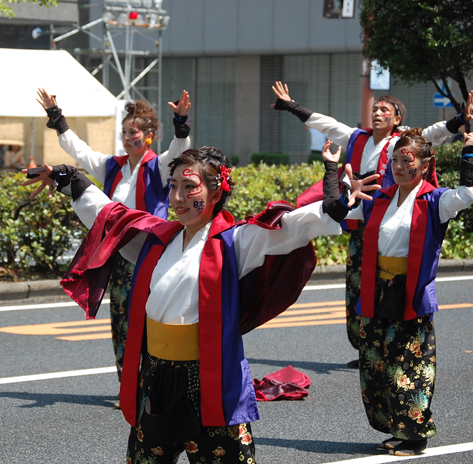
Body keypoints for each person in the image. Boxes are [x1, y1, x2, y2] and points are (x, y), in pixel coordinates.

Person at [23, 145, 379, 463]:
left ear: (215, 191)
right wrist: (68, 178)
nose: (177, 196)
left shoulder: (236, 241)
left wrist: (335, 200)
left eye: (189, 187)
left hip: (208, 377)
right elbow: (112, 216)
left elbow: (290, 227)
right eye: (173, 185)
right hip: (156, 376)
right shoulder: (157, 239)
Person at [272, 81, 473, 368]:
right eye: (375, 108)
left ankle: (399, 347)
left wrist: (462, 120)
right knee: (358, 286)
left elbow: (435, 134)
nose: (377, 113)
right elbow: (325, 124)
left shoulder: (404, 140)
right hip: (365, 222)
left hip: (398, 221)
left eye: (385, 109)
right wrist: (292, 106)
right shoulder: (356, 137)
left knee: (400, 283)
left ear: (397, 118)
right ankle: (366, 345)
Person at [323, 129, 473, 456]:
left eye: (407, 161)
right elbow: (336, 209)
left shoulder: (435, 200)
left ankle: (415, 435)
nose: (399, 167)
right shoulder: (381, 196)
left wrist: (469, 155)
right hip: (376, 292)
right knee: (374, 364)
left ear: (424, 163)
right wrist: (331, 171)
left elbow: (467, 194)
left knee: (407, 368)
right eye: (395, 160)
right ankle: (396, 427)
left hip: (410, 294)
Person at [37, 88, 192, 397]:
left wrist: (181, 122)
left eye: (132, 132)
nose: (126, 138)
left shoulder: (159, 167)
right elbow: (79, 151)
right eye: (123, 132)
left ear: (148, 136)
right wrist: (57, 116)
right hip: (118, 254)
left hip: (150, 254)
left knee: (147, 318)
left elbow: (179, 150)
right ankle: (129, 387)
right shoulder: (112, 166)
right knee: (120, 322)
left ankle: (151, 384)